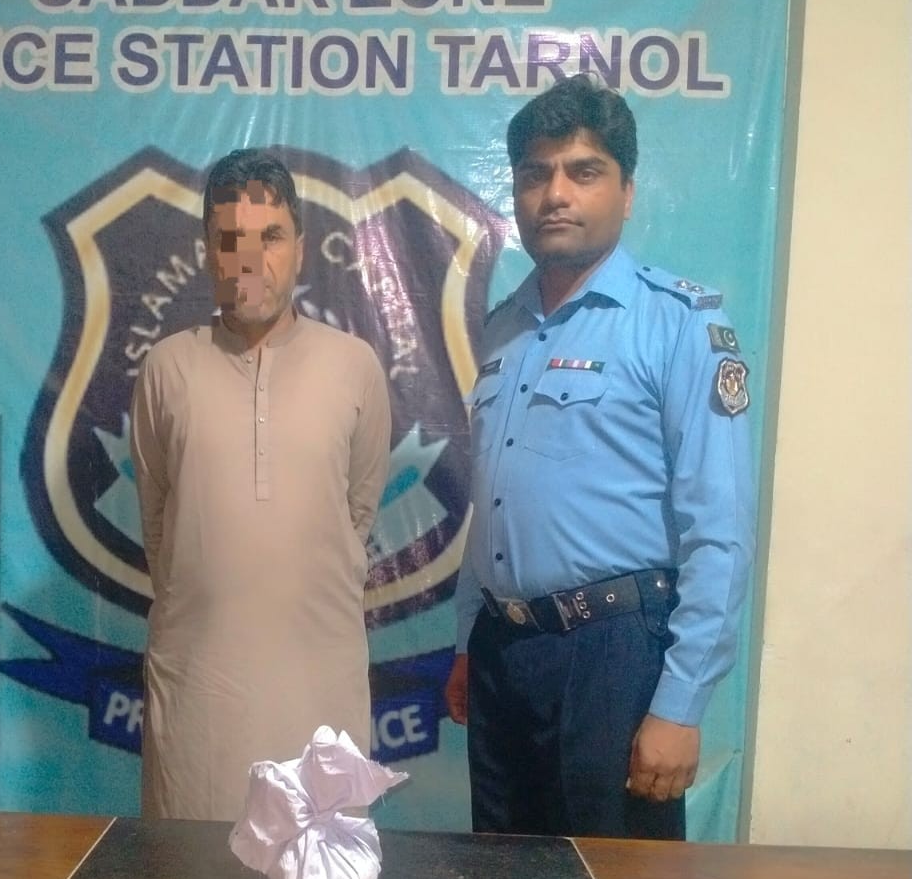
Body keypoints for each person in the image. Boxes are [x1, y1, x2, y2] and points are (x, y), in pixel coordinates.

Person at [445, 75, 755, 839]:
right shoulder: (501, 329)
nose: (555, 194)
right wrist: (468, 639)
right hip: (502, 652)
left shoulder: (678, 323)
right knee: (501, 865)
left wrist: (679, 704)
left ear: (627, 192)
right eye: (535, 173)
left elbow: (720, 531)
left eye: (583, 171)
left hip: (614, 656)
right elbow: (494, 499)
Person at [129, 148, 392, 821]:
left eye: (270, 237)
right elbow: (160, 525)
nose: (250, 260)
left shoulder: (354, 367)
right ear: (208, 254)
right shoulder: (167, 369)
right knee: (191, 858)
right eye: (230, 240)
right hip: (199, 696)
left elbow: (355, 514)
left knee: (317, 856)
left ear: (300, 248)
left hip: (320, 691)